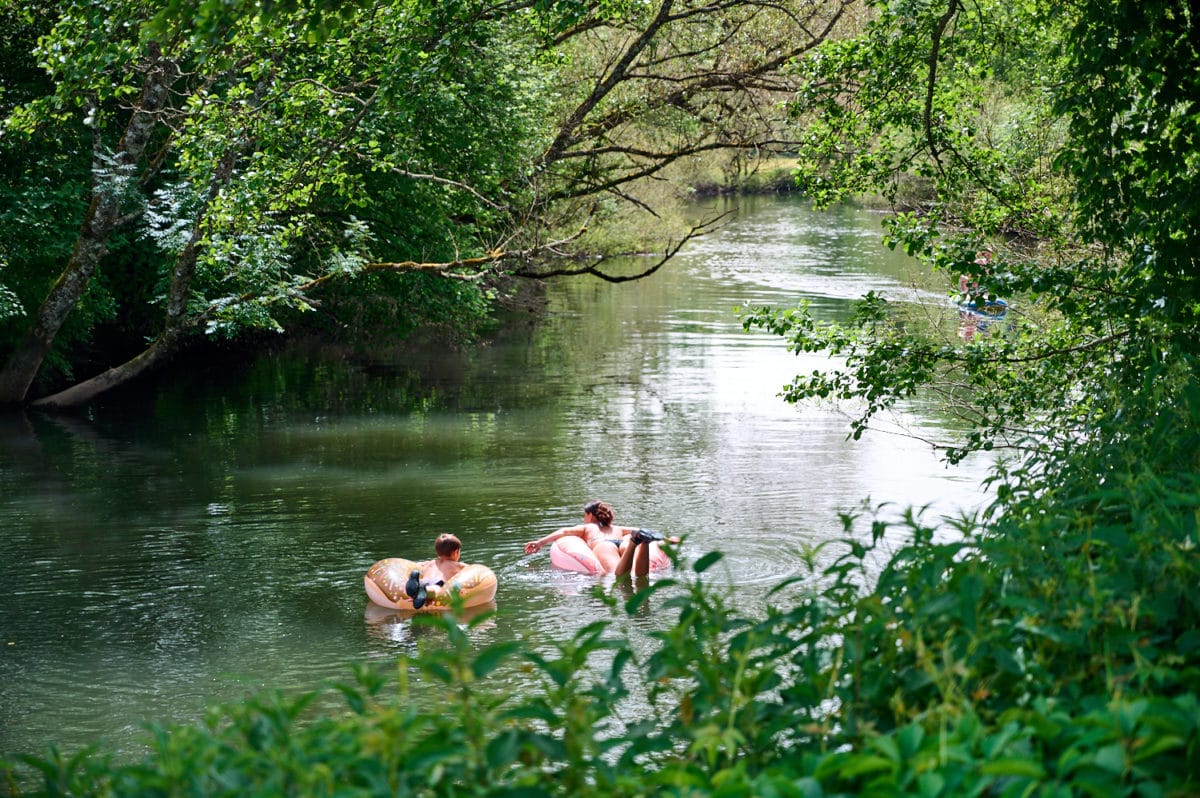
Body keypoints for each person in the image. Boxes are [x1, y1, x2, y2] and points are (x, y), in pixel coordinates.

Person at [524, 500, 678, 575]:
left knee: (617, 576)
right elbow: (642, 530)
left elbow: (564, 532)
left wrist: (540, 542)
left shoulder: (588, 527)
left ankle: (633, 543)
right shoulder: (617, 528)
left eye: (585, 515)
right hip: (623, 540)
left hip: (604, 545)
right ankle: (636, 543)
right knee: (637, 574)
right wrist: (667, 539)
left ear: (590, 515)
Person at [405, 533, 466, 609]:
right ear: (456, 552)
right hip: (437, 583)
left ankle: (417, 590)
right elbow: (473, 570)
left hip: (424, 581)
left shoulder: (429, 563)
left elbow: (415, 565)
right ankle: (425, 591)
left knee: (423, 585)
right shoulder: (458, 565)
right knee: (437, 589)